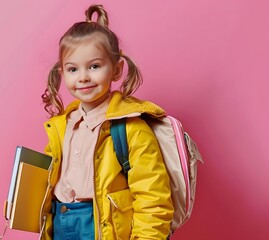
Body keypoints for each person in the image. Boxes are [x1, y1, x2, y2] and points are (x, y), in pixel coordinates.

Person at [39, 4, 174, 240]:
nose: (83, 77)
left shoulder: (131, 128)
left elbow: (153, 198)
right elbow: (46, 183)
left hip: (102, 226)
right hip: (60, 221)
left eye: (94, 66)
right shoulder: (62, 125)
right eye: (72, 69)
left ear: (116, 69)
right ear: (62, 73)